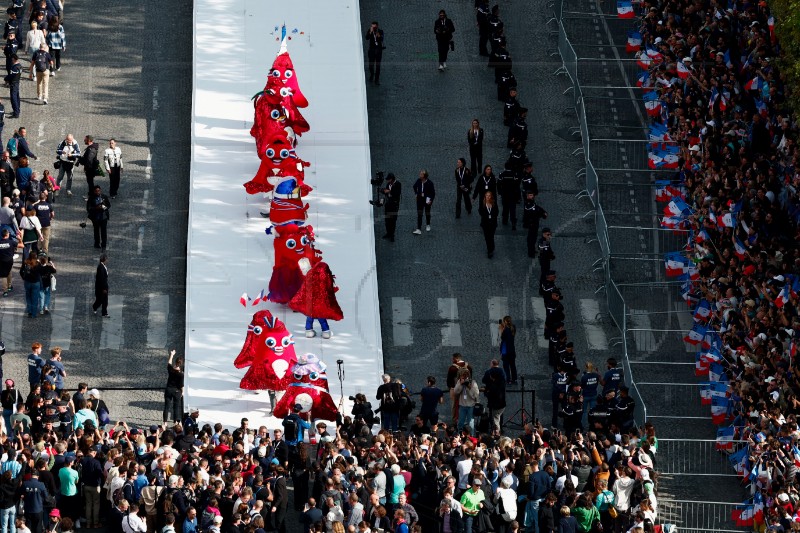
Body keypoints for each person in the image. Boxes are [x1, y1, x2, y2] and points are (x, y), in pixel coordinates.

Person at [481, 360, 506, 433]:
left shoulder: (489, 372)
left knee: (493, 414)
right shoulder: (502, 373)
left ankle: (494, 428)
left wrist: (486, 390)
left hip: (493, 399)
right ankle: (500, 426)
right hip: (501, 400)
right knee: (499, 414)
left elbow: (484, 380)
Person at [453, 368, 479, 433]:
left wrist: (469, 387)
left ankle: (471, 435)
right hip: (462, 405)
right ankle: (459, 434)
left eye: (465, 375)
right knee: (460, 422)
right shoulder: (459, 382)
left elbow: (475, 395)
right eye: (462, 375)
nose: (464, 377)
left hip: (471, 406)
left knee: (470, 422)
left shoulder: (473, 383)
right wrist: (460, 384)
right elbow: (456, 392)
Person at [85, 185, 110, 249]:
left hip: (103, 217)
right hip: (95, 217)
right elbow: (88, 208)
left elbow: (109, 205)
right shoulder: (91, 198)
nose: (98, 192)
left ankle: (104, 244)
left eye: (98, 191)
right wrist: (96, 208)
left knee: (103, 232)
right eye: (96, 191)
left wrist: (104, 207)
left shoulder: (104, 197)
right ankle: (97, 243)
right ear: (94, 191)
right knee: (96, 231)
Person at [497, 162, 520, 230]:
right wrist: (518, 196)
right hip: (513, 195)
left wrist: (500, 192)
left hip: (505, 195)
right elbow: (517, 185)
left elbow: (498, 184)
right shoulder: (514, 174)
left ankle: (505, 220)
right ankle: (513, 222)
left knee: (505, 208)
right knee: (513, 210)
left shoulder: (502, 175)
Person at [411, 170, 434, 235]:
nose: (420, 175)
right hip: (420, 199)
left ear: (424, 176)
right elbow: (414, 186)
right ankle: (419, 228)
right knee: (419, 214)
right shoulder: (418, 180)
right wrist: (416, 193)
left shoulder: (430, 183)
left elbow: (433, 193)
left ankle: (428, 224)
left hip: (427, 199)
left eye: (421, 174)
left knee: (427, 212)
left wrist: (430, 200)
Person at [164, 349, 184, 423]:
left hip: (169, 389)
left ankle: (165, 423)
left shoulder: (171, 369)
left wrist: (172, 355)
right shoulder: (181, 374)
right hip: (177, 391)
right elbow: (181, 384)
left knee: (166, 407)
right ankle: (175, 422)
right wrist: (183, 392)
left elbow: (169, 363)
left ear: (175, 362)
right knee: (176, 408)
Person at [20, 252, 41, 318]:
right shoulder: (38, 264)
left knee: (28, 296)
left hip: (27, 282)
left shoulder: (26, 262)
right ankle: (34, 314)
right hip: (35, 282)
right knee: (35, 298)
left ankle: (29, 311)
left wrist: (24, 278)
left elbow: (21, 271)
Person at [477, 191, 498, 258]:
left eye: (489, 195)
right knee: (487, 237)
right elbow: (480, 211)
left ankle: (491, 248)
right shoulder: (482, 204)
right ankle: (490, 250)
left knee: (491, 236)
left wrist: (492, 217)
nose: (488, 197)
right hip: (485, 223)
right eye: (486, 195)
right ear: (485, 197)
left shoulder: (494, 204)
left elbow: (497, 212)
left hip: (493, 223)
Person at [381, 172, 400, 242]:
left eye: (388, 179)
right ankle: (388, 233)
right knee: (387, 220)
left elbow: (396, 193)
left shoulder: (398, 184)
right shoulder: (388, 184)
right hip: (388, 204)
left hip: (394, 206)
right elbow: (385, 192)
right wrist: (384, 191)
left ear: (391, 179)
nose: (387, 181)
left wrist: (389, 191)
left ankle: (392, 235)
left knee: (393, 221)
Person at [499, 316, 517, 384]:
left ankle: (508, 379)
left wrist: (502, 329)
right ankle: (514, 379)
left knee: (506, 366)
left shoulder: (505, 330)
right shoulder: (513, 328)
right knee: (513, 365)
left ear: (505, 322)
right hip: (512, 350)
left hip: (505, 350)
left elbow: (502, 338)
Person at [3, 54, 19, 118]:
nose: (11, 60)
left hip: (13, 84)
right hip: (17, 83)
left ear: (14, 59)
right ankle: (17, 110)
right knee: (17, 98)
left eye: (12, 59)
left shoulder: (14, 67)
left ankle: (16, 113)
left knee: (14, 98)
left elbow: (11, 76)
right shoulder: (19, 66)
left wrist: (5, 78)